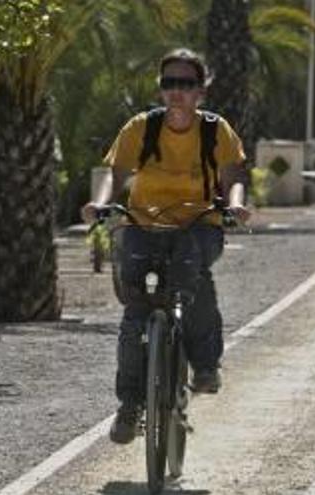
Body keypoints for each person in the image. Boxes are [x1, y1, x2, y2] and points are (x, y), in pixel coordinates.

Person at [81, 48, 250, 445]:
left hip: (199, 224)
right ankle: (129, 405)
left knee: (191, 274)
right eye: (169, 83)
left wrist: (237, 205)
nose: (176, 92)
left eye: (186, 84)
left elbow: (233, 175)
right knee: (136, 312)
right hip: (143, 222)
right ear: (160, 90)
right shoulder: (141, 128)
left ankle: (205, 365)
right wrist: (102, 203)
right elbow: (116, 174)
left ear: (200, 92)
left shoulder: (214, 130)